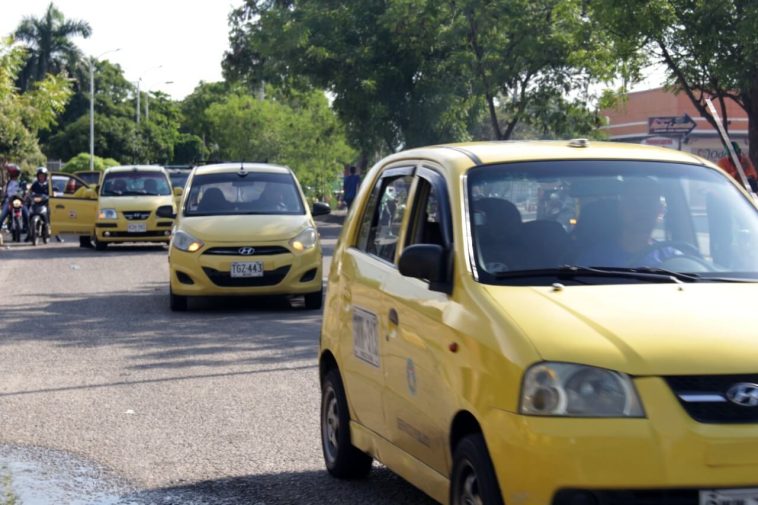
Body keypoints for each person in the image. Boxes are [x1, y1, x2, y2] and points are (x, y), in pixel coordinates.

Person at [576, 177, 684, 267]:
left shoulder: (673, 260)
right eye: (634, 202)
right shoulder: (594, 258)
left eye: (649, 203)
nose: (642, 210)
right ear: (621, 209)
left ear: (660, 211)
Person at [29, 166, 63, 243]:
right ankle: (29, 234)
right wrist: (27, 196)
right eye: (40, 175)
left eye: (43, 175)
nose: (41, 177)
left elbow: (54, 191)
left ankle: (57, 236)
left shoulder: (49, 184)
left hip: (46, 204)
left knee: (52, 217)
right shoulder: (35, 184)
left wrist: (54, 194)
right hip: (36, 204)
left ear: (45, 176)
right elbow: (30, 191)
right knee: (29, 214)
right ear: (37, 176)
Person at [0, 164, 29, 233]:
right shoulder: (8, 183)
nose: (14, 175)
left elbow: (26, 192)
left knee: (27, 215)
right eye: (12, 173)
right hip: (9, 202)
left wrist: (25, 197)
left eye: (15, 173)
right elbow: (4, 193)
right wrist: (3, 195)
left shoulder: (22, 182)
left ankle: (29, 232)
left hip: (19, 201)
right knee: (2, 216)